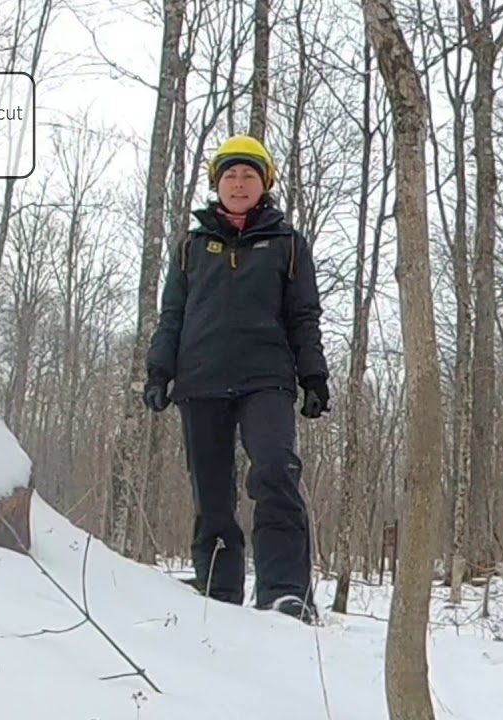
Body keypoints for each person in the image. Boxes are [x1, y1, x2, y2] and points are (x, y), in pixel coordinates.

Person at [143, 134, 331, 624]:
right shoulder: (191, 246)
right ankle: (217, 588)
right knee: (211, 490)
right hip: (200, 379)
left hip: (266, 379)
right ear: (217, 183)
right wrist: (159, 370)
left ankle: (285, 592)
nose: (239, 183)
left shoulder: (287, 244)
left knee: (275, 472)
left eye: (249, 175)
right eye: (230, 175)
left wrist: (313, 376)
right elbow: (172, 314)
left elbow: (304, 316)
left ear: (264, 183)